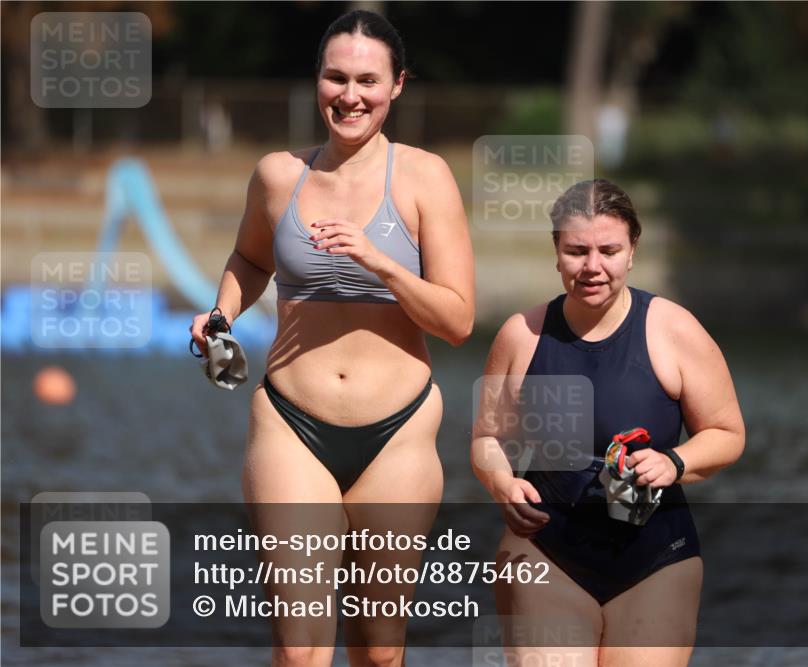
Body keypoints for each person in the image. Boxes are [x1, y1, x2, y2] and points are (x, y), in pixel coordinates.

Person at [190, 10, 474, 667]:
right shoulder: (276, 175)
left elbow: (457, 320)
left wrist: (380, 262)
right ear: (317, 81)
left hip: (397, 432)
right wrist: (221, 316)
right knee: (300, 648)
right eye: (336, 77)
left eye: (368, 80)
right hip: (291, 422)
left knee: (379, 651)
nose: (350, 94)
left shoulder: (426, 178)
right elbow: (250, 260)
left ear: (397, 85)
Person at [471, 179, 744, 667]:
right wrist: (499, 483)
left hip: (656, 554)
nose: (592, 266)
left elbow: (727, 435)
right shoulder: (521, 335)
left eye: (609, 250)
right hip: (546, 549)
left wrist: (674, 462)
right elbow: (487, 439)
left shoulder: (674, 329)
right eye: (577, 250)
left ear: (632, 251)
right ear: (556, 252)